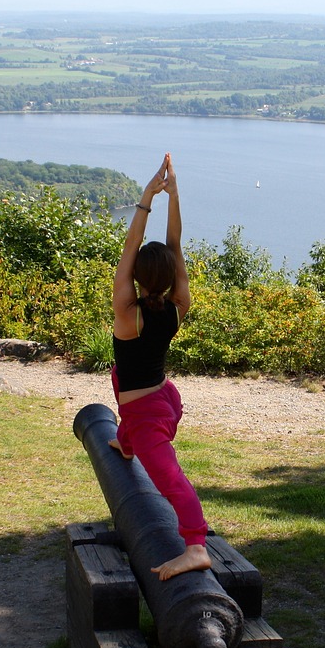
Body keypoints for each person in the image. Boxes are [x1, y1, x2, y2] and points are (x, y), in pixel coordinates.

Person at [109, 153, 212, 581]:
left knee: (171, 481)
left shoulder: (126, 313)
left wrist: (146, 198)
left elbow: (132, 246)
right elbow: (175, 246)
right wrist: (174, 195)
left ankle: (196, 546)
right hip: (164, 398)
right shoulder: (177, 307)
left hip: (148, 414)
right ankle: (125, 441)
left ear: (136, 276)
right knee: (122, 383)